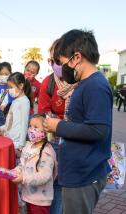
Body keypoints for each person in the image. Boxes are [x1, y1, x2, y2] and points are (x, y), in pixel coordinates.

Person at [43, 29, 112, 214]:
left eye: (62, 62)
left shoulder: (95, 85)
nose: (60, 68)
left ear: (76, 58)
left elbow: (98, 130)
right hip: (77, 171)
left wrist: (58, 126)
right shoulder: (85, 84)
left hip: (84, 174)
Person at [38, 39, 77, 214]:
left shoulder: (82, 81)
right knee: (57, 181)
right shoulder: (48, 83)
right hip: (56, 138)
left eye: (60, 59)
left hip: (77, 139)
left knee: (73, 183)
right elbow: (43, 114)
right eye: (54, 60)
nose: (57, 64)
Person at [11, 114, 57, 214]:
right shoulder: (28, 145)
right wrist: (15, 172)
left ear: (46, 130)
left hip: (40, 201)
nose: (31, 129)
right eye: (30, 126)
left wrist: (23, 178)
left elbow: (44, 176)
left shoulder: (46, 152)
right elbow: (22, 164)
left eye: (35, 127)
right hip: (28, 196)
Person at [0, 72, 32, 151]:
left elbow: (24, 125)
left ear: (21, 86)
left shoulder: (24, 102)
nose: (9, 90)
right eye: (9, 87)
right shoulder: (15, 101)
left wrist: (21, 145)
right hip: (10, 140)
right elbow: (10, 123)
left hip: (17, 143)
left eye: (11, 87)